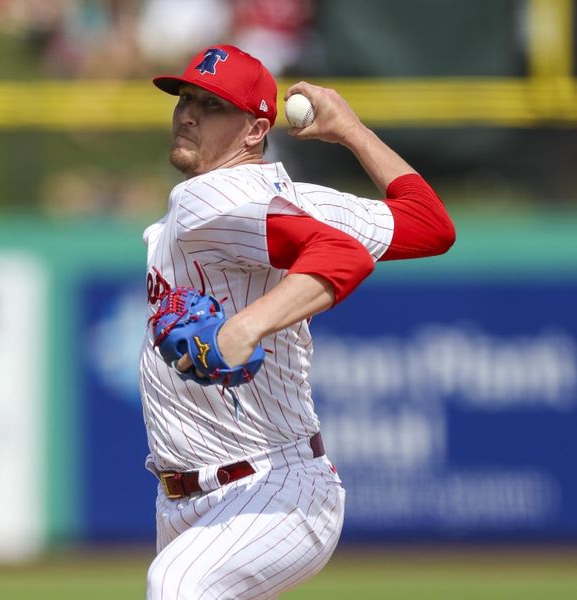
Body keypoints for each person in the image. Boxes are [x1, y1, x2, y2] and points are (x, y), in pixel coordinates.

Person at [140, 44, 455, 599]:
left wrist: (242, 328)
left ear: (255, 130)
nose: (187, 113)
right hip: (198, 497)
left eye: (211, 106)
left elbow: (344, 257)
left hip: (269, 487)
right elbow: (430, 224)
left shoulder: (207, 199)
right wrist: (354, 131)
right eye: (184, 99)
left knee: (177, 584)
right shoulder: (295, 200)